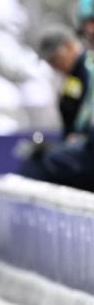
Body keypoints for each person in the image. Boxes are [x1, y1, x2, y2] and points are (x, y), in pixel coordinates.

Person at [19, 25, 94, 191]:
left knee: (46, 162)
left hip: (88, 150)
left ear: (68, 46)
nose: (53, 65)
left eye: (54, 58)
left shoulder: (88, 68)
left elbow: (85, 121)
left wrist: (77, 139)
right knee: (40, 158)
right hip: (81, 147)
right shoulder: (72, 79)